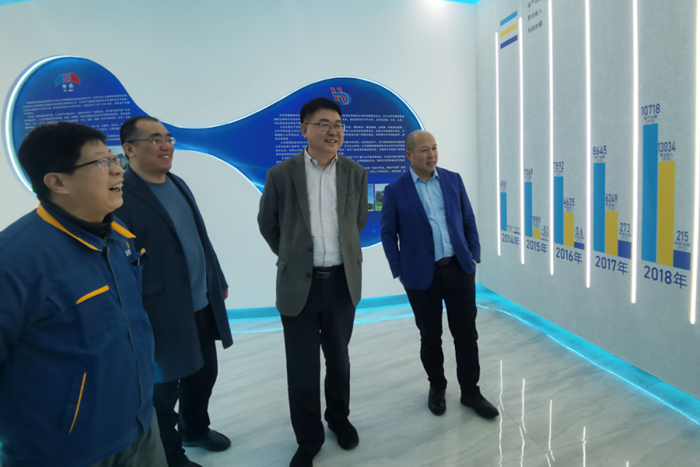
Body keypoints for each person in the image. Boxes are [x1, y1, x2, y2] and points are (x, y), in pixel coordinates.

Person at [0, 122, 166, 467]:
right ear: (58, 182)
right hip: (66, 451)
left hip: (140, 425)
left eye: (115, 158)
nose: (119, 169)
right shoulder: (14, 261)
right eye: (102, 163)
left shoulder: (118, 235)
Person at [115, 116, 233, 467]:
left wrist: (217, 279)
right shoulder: (121, 195)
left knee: (204, 373)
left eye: (168, 138)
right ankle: (170, 455)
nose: (166, 145)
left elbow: (199, 238)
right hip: (159, 309)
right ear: (129, 149)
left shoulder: (178, 183)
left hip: (200, 301)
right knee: (164, 388)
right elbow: (121, 259)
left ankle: (195, 428)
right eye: (155, 139)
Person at [257, 97, 368, 467]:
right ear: (304, 129)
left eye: (338, 125)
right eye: (324, 124)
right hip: (298, 286)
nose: (333, 131)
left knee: (339, 360)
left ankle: (339, 418)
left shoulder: (355, 172)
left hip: (341, 283)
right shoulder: (281, 174)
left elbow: (357, 222)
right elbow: (268, 224)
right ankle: (308, 438)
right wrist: (294, 256)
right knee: (302, 368)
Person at [380, 130, 498, 419]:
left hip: (459, 269)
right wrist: (400, 271)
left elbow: (468, 219)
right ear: (409, 155)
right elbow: (388, 234)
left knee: (466, 334)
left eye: (434, 148)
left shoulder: (453, 179)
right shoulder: (395, 190)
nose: (431, 154)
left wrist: (473, 254)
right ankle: (437, 387)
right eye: (424, 150)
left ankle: (471, 392)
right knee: (430, 337)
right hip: (421, 276)